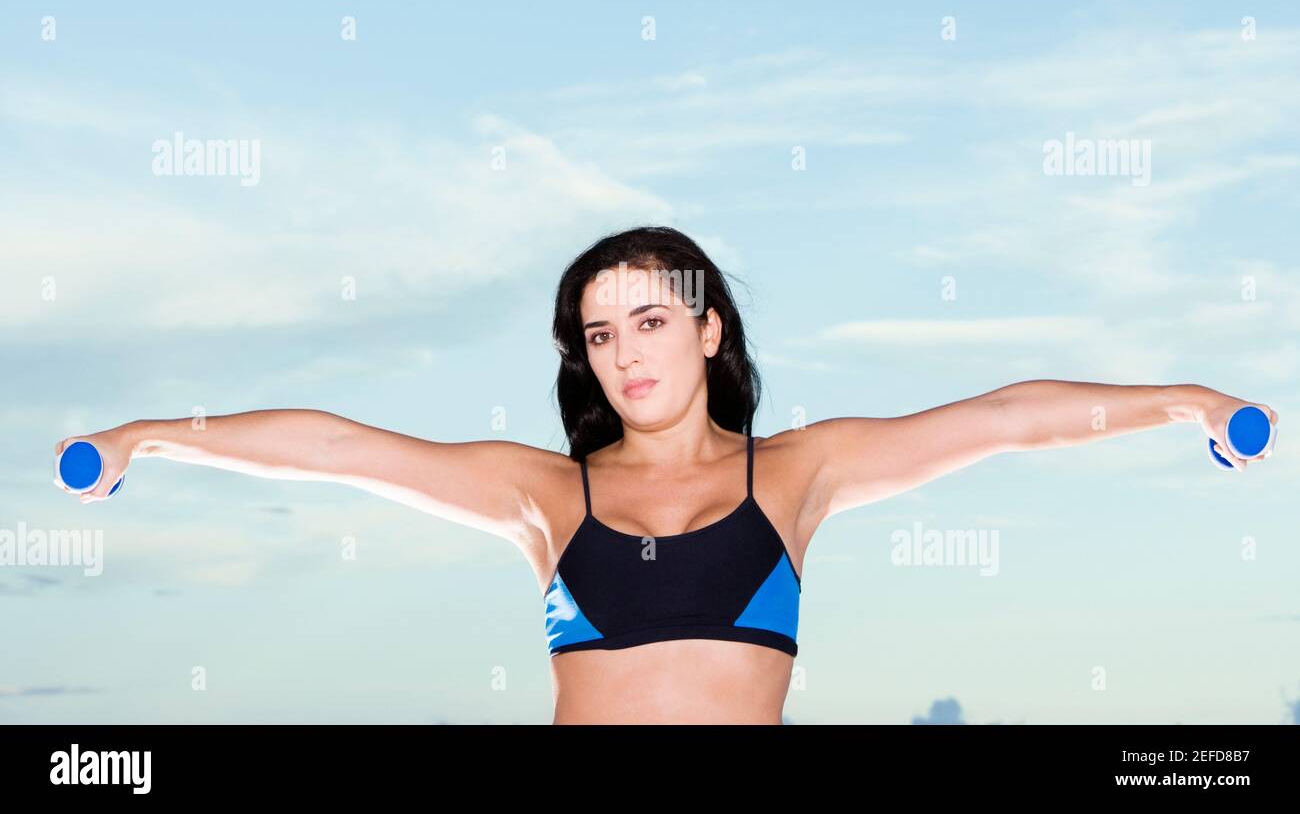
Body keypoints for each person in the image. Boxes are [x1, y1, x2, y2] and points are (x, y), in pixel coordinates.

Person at [53, 225, 1279, 724]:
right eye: (600, 331)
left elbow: (1008, 417)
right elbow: (336, 447)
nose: (625, 352)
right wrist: (145, 434)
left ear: (708, 332)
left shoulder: (801, 470)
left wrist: (1191, 402)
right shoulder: (543, 492)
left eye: (649, 320)